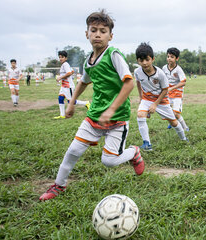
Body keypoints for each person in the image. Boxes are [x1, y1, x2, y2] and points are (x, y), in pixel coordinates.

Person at [39, 10, 144, 201]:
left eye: (103, 31)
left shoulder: (114, 55)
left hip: (117, 119)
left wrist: (111, 109)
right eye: (93, 30)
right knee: (73, 151)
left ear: (110, 36)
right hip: (94, 116)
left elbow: (129, 82)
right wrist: (71, 103)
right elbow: (83, 82)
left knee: (109, 161)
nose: (97, 34)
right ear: (86, 33)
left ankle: (133, 152)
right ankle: (59, 185)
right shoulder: (88, 60)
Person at [135, 43, 188, 151]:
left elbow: (165, 90)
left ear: (152, 59)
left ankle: (183, 138)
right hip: (147, 98)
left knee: (173, 121)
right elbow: (138, 82)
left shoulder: (160, 73)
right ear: (138, 61)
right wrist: (141, 97)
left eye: (147, 59)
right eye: (141, 60)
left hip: (162, 100)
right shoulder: (137, 72)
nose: (144, 63)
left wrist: (155, 104)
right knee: (140, 115)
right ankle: (147, 144)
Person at [54, 50, 90, 119]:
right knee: (60, 98)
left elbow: (69, 73)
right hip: (64, 86)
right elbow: (72, 71)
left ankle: (86, 103)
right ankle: (62, 115)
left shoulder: (65, 64)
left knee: (71, 101)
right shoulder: (64, 65)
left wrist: (60, 77)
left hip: (68, 86)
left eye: (62, 57)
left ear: (66, 58)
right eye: (59, 57)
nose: (60, 58)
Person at [162, 47, 189, 132]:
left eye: (172, 57)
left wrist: (172, 88)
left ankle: (185, 127)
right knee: (168, 111)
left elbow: (183, 82)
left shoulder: (178, 69)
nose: (169, 59)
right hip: (167, 93)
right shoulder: (164, 68)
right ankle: (172, 123)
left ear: (177, 58)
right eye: (168, 56)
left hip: (177, 93)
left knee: (176, 113)